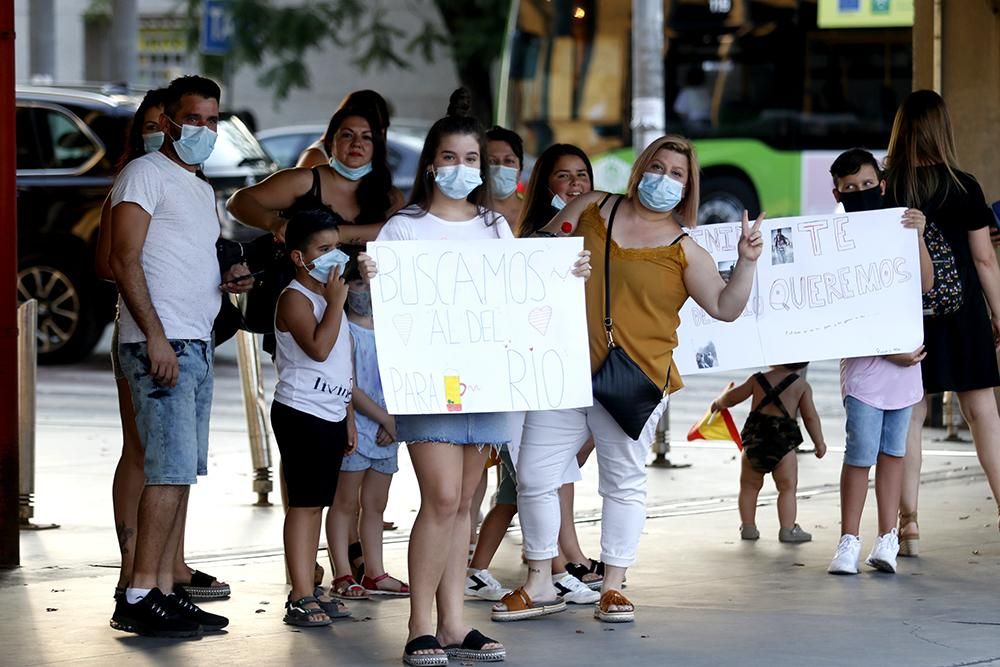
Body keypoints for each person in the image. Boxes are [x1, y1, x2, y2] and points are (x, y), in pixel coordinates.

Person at [495, 135, 761, 625]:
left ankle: (613, 586)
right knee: (534, 473)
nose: (663, 178)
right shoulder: (594, 206)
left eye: (676, 174)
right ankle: (538, 579)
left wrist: (746, 260)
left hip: (635, 380)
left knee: (622, 481)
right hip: (566, 369)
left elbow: (725, 308)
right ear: (640, 168)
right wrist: (557, 258)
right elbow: (535, 250)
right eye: (657, 166)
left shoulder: (686, 250)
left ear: (687, 187)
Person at [375, 88, 511, 666]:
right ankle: (420, 624)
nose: (462, 169)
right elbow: (386, 307)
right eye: (451, 159)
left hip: (486, 378)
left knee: (466, 504)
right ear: (431, 163)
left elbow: (520, 297)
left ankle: (455, 622)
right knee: (443, 496)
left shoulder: (495, 227)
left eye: (472, 160)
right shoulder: (403, 230)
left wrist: (564, 272)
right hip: (429, 378)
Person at [108, 75, 248, 637]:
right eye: (194, 120)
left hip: (195, 340)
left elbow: (184, 261)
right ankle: (139, 592)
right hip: (159, 345)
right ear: (167, 122)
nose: (204, 131)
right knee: (164, 471)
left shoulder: (196, 186)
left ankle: (165, 587)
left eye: (212, 121)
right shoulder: (144, 175)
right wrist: (156, 336)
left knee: (181, 471)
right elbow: (124, 259)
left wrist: (227, 277)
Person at [888, 90, 1000, 553]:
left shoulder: (888, 188)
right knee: (983, 414)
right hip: (965, 313)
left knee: (911, 417)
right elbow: (984, 260)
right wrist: (999, 314)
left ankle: (909, 523)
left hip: (909, 317)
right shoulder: (965, 186)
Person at [826, 148, 933, 575]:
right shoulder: (834, 238)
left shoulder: (902, 225)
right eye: (850, 189)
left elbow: (925, 284)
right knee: (860, 453)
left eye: (868, 185)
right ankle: (847, 540)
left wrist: (919, 236)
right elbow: (840, 309)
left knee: (893, 453)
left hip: (907, 368)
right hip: (867, 369)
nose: (860, 192)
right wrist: (890, 352)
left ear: (882, 184)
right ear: (837, 192)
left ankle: (887, 537)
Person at [270, 209, 357, 626]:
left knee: (318, 504)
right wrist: (337, 304)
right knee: (304, 506)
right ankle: (300, 593)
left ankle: (310, 587)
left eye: (336, 247)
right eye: (323, 249)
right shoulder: (294, 298)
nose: (333, 257)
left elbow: (341, 364)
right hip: (300, 413)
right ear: (298, 257)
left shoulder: (325, 297)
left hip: (330, 413)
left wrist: (349, 417)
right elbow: (319, 348)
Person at [327, 276, 409, 598]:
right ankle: (343, 574)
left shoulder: (394, 329)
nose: (364, 291)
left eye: (369, 283)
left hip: (388, 431)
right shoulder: (344, 331)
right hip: (359, 429)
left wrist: (396, 420)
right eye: (357, 284)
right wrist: (386, 419)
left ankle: (375, 572)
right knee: (344, 503)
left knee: (376, 505)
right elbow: (349, 384)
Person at [711, 364, 827, 544]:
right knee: (787, 488)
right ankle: (787, 529)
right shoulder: (801, 386)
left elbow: (732, 398)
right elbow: (810, 416)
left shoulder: (757, 380)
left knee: (749, 486)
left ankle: (748, 527)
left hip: (755, 441)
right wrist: (819, 442)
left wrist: (719, 402)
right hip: (783, 444)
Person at [516, 143, 593, 238]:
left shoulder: (607, 222)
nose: (575, 181)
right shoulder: (534, 238)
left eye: (581, 174)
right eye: (563, 176)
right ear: (544, 185)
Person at [486, 125, 525, 231]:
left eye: (509, 161)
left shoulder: (534, 214)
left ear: (520, 168)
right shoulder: (466, 215)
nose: (500, 168)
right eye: (491, 161)